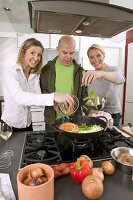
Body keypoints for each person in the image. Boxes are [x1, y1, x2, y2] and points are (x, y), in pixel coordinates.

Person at [1, 38, 74, 132]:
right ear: (23, 53)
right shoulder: (10, 72)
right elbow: (19, 97)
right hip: (9, 127)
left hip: (27, 125)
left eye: (39, 55)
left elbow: (38, 101)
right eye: (32, 53)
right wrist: (53, 96)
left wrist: (55, 102)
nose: (36, 58)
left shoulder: (34, 76)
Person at [40, 35, 87, 128]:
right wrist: (53, 99)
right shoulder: (46, 69)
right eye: (65, 53)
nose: (68, 57)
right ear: (57, 49)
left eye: (71, 53)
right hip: (52, 121)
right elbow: (42, 93)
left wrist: (92, 111)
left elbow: (84, 97)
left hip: (74, 121)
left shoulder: (80, 71)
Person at [82, 44, 125, 126]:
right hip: (96, 115)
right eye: (91, 57)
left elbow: (121, 79)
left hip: (113, 115)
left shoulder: (113, 69)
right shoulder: (90, 74)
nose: (95, 59)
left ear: (103, 55)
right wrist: (91, 111)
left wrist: (101, 73)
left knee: (112, 137)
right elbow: (86, 97)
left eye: (98, 55)